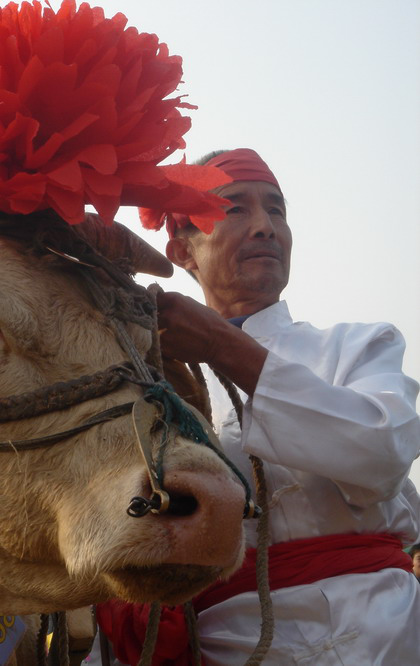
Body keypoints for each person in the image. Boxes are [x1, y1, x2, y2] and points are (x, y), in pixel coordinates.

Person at [88, 148, 420, 665]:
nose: (267, 227)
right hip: (220, 646)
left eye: (278, 211)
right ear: (182, 251)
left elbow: (382, 453)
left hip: (382, 631)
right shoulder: (148, 388)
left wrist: (224, 348)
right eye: (236, 208)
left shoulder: (359, 345)